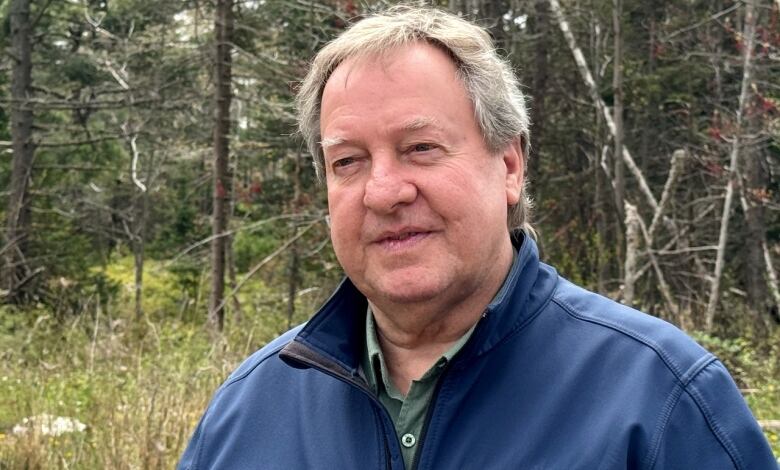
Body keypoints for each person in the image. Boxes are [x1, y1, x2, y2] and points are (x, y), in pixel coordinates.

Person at [179, 6, 776, 470]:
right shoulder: (247, 414)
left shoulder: (659, 402)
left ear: (510, 166)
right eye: (349, 161)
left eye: (421, 148)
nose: (384, 192)